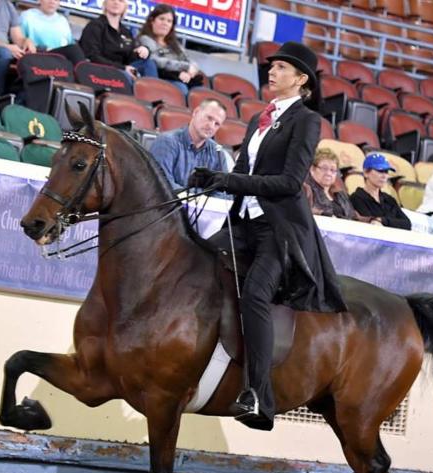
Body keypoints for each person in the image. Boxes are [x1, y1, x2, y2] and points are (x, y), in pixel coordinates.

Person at [186, 41, 345, 430]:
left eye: (281, 68)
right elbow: (244, 171)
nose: (271, 72)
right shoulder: (261, 117)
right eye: (271, 67)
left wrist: (229, 180)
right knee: (194, 263)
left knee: (255, 295)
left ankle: (258, 394)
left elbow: (289, 182)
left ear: (301, 79)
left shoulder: (306, 120)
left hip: (279, 230)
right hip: (244, 222)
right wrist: (213, 181)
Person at [150, 99, 228, 191]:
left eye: (217, 124)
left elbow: (223, 191)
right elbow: (162, 184)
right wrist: (199, 196)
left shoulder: (218, 153)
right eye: (209, 118)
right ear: (196, 112)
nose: (211, 126)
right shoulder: (166, 142)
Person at [79, 0, 158, 81]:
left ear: (125, 6)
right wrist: (122, 68)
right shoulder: (94, 26)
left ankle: (154, 89)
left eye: (121, 1)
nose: (116, 2)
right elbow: (92, 56)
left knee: (148, 63)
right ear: (105, 3)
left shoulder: (126, 32)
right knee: (129, 75)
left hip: (123, 71)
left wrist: (143, 51)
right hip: (101, 70)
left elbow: (130, 58)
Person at [137, 4, 203, 97]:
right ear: (152, 21)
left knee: (199, 92)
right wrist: (183, 68)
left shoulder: (175, 44)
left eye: (169, 21)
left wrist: (188, 73)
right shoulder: (145, 39)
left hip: (177, 78)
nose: (165, 23)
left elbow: (191, 63)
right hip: (160, 77)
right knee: (181, 88)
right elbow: (155, 60)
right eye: (161, 19)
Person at [349, 154, 412, 229]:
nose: (384, 176)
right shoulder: (357, 198)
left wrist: (382, 220)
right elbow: (371, 224)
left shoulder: (389, 199)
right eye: (380, 171)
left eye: (386, 172)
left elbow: (407, 223)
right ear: (366, 173)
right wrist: (391, 222)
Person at [20, 0, 86, 66]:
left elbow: (70, 43)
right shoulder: (27, 16)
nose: (52, 2)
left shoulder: (62, 21)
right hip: (37, 55)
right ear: (39, 1)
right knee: (73, 50)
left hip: (59, 60)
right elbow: (19, 41)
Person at [302, 148, 355, 219]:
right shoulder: (306, 190)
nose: (329, 173)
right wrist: (324, 214)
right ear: (312, 169)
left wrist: (369, 220)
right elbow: (303, 211)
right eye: (324, 168)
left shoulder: (340, 194)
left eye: (332, 170)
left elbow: (354, 216)